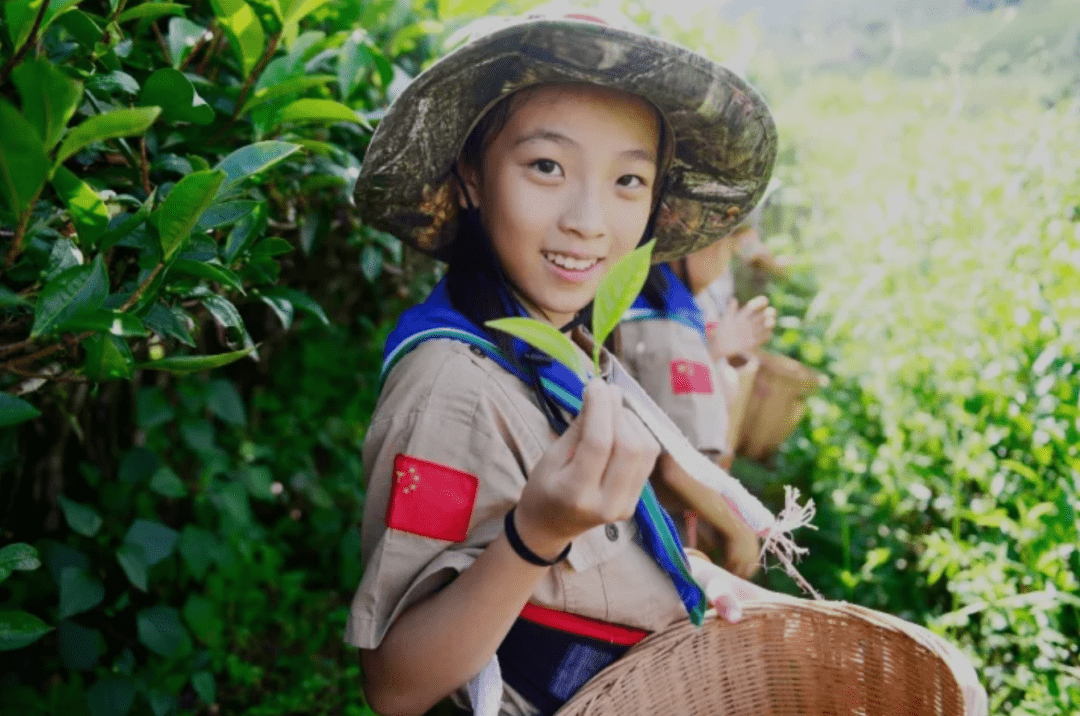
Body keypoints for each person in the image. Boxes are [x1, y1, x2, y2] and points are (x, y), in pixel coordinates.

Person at [345, 10, 777, 716]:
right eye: (546, 166)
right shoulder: (452, 386)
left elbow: (590, 572)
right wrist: (535, 533)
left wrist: (693, 573)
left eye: (628, 181)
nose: (588, 219)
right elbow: (395, 687)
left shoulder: (568, 349)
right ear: (473, 178)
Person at [619, 265, 760, 575]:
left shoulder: (651, 299)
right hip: (641, 534)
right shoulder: (668, 318)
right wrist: (741, 532)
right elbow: (679, 468)